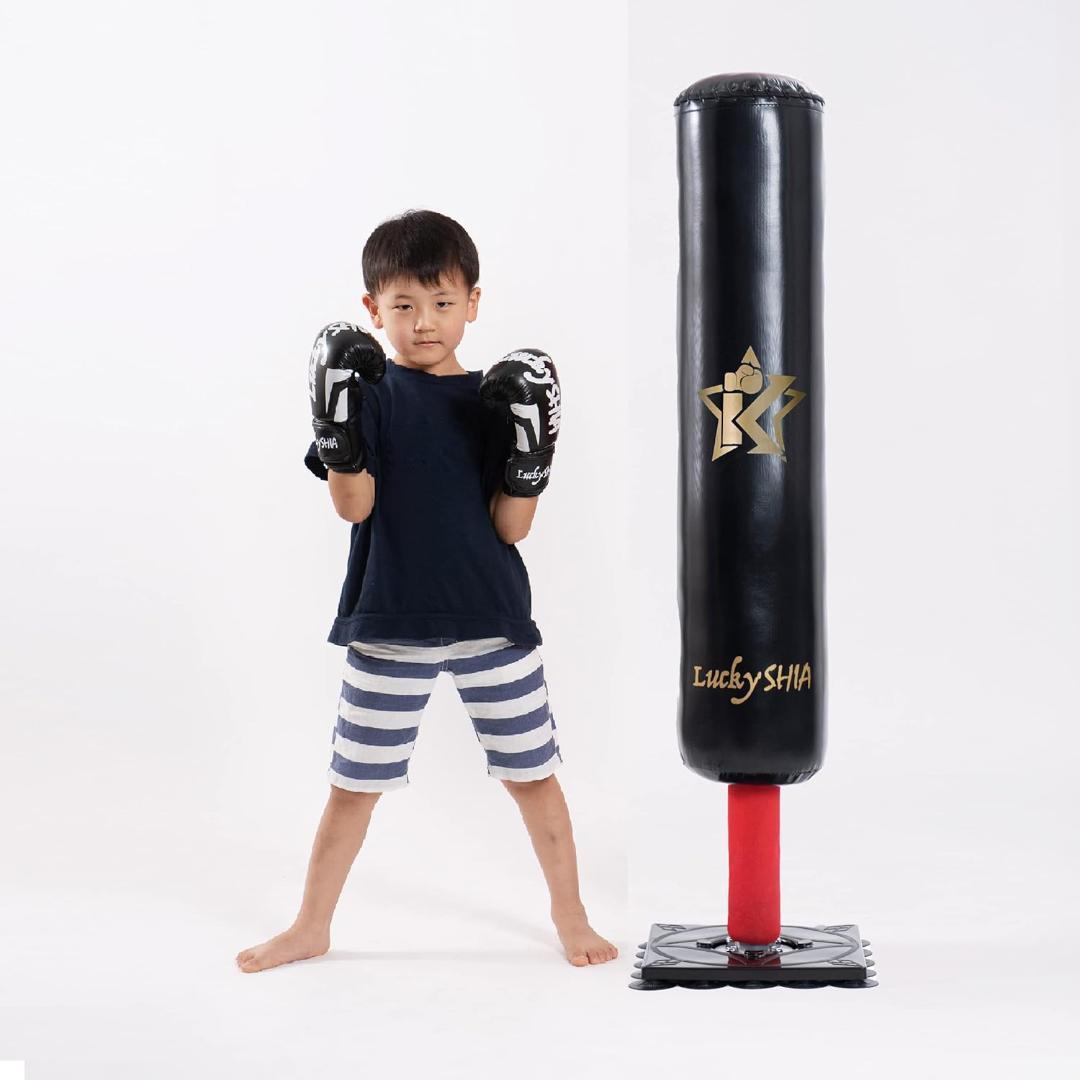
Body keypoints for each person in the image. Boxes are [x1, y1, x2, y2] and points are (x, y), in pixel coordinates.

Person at [236, 209, 617, 972]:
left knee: (534, 777)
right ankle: (311, 926)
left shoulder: (497, 400)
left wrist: (529, 462)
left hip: (491, 619)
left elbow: (511, 527)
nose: (423, 323)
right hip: (389, 621)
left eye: (442, 303)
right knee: (353, 786)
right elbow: (354, 508)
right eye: (403, 305)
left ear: (473, 302)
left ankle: (572, 916)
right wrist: (339, 433)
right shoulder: (369, 394)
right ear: (372, 310)